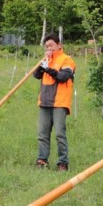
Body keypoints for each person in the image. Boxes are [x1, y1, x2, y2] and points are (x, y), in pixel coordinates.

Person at [33, 33, 76, 171]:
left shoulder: (67, 60)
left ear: (59, 45)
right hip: (45, 101)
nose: (49, 48)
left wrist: (49, 69)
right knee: (42, 133)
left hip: (59, 102)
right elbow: (36, 75)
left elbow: (63, 77)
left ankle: (63, 162)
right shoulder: (47, 60)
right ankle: (42, 160)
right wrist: (42, 65)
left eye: (51, 45)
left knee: (59, 134)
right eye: (46, 46)